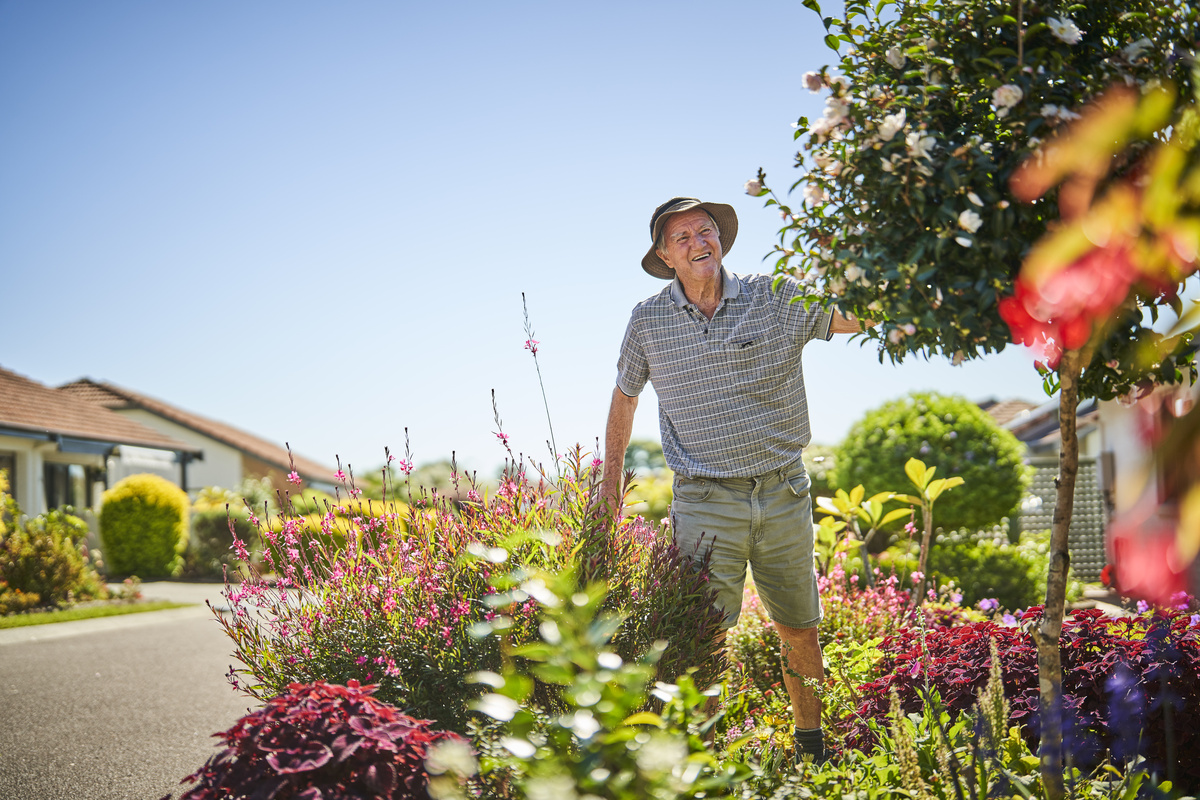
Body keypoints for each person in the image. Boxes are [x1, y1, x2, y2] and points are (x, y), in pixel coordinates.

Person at [599, 197, 869, 766]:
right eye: (683, 237)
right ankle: (705, 763)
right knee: (704, 636)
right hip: (703, 500)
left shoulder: (776, 296)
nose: (700, 241)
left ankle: (813, 753)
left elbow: (852, 316)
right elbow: (624, 399)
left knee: (799, 629)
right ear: (664, 256)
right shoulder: (647, 320)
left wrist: (891, 281)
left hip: (783, 492)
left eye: (706, 230)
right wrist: (609, 494)